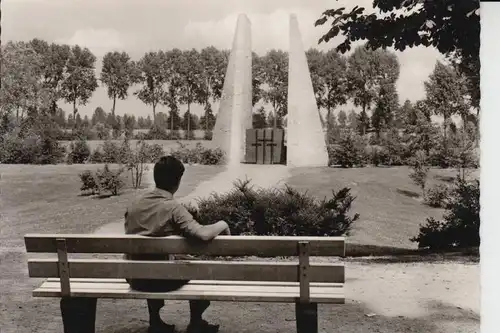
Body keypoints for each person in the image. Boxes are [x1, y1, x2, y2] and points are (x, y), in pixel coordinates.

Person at [124, 155, 230, 333]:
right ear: (178, 181)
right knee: (200, 268)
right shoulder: (173, 208)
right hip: (164, 280)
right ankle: (196, 322)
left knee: (150, 263)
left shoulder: (134, 204)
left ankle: (155, 322)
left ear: (156, 177)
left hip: (135, 277)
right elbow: (202, 234)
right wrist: (222, 224)